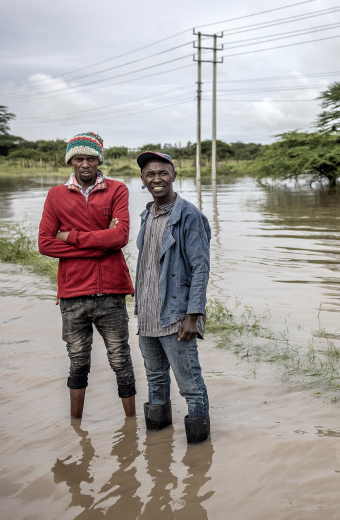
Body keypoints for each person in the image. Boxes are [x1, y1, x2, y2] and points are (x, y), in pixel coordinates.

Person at [38, 132, 136, 420]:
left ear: (99, 160)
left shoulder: (118, 190)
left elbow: (120, 236)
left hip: (111, 291)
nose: (84, 164)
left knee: (121, 361)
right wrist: (97, 247)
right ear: (71, 161)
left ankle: (130, 425)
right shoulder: (55, 196)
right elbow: (45, 243)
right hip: (73, 295)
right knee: (78, 363)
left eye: (90, 158)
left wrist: (71, 237)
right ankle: (75, 427)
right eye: (78, 158)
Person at [135, 150, 211, 444]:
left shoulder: (189, 216)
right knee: (155, 381)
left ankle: (199, 451)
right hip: (149, 316)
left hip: (177, 317)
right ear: (143, 179)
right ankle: (157, 446)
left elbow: (200, 269)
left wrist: (193, 316)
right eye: (150, 174)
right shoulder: (147, 214)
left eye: (163, 173)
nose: (157, 178)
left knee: (190, 385)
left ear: (174, 176)